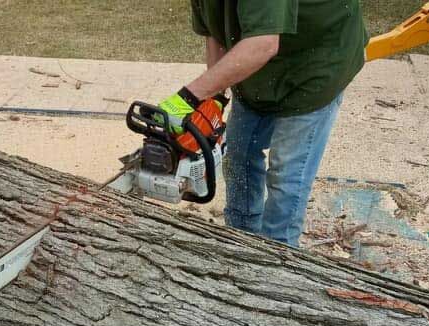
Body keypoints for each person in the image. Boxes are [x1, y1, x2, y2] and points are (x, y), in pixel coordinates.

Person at [155, 1, 368, 247]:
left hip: (316, 63)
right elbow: (214, 30)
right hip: (257, 68)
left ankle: (280, 256)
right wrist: (213, 98)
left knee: (286, 176)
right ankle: (240, 238)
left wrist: (189, 97)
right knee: (237, 158)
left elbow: (263, 44)